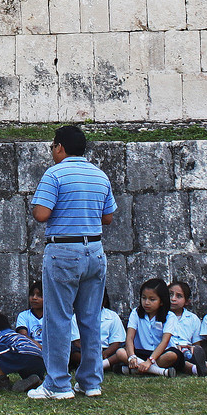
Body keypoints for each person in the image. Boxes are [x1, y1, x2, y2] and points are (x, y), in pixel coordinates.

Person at [28, 123, 116, 400]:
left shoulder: (55, 174)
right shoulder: (99, 175)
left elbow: (41, 214)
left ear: (60, 147)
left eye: (53, 146)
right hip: (95, 249)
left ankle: (57, 383)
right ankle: (90, 382)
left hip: (64, 250)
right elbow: (108, 217)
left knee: (58, 319)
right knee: (90, 318)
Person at [0, 311, 45, 392]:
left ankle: (2, 381)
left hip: (23, 357)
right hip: (39, 362)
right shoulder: (15, 335)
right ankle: (36, 381)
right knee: (29, 373)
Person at [123, 278, 176, 376]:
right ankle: (160, 372)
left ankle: (137, 370)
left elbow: (165, 341)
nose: (146, 302)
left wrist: (150, 361)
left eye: (152, 299)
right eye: (144, 298)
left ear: (161, 301)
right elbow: (129, 338)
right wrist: (132, 356)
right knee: (120, 352)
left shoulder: (169, 316)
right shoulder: (136, 313)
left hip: (161, 353)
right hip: (141, 353)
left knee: (171, 355)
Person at [163, 281, 206, 374]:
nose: (173, 299)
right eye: (170, 294)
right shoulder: (161, 317)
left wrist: (192, 348)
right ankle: (199, 370)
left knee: (190, 355)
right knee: (176, 357)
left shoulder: (193, 319)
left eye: (179, 296)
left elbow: (197, 344)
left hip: (187, 350)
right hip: (169, 351)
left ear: (187, 301)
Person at [97, 293, 127, 368]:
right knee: (73, 352)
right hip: (85, 350)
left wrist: (105, 353)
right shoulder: (77, 316)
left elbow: (117, 342)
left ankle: (101, 365)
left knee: (122, 350)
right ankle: (88, 364)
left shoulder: (112, 316)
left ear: (104, 301)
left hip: (106, 349)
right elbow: (77, 342)